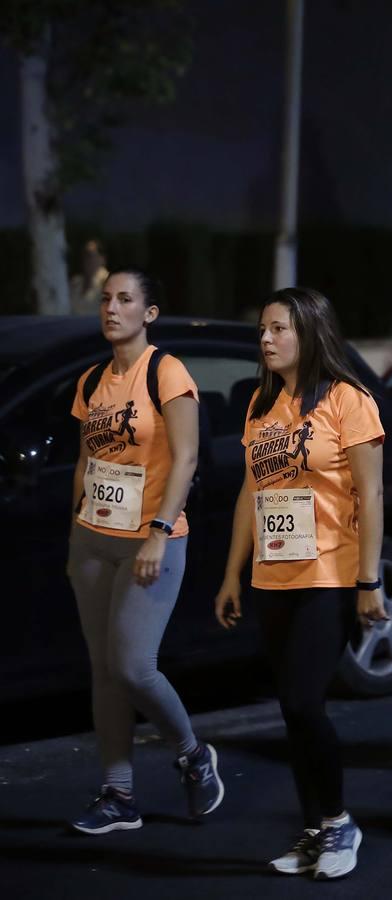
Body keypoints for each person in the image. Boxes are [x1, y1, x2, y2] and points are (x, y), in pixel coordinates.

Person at [214, 288, 387, 879]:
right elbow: (250, 494)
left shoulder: (348, 401)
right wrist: (233, 574)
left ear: (309, 333)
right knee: (290, 710)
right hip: (273, 576)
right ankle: (314, 829)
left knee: (304, 702)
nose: (265, 340)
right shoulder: (260, 406)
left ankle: (339, 823)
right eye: (262, 330)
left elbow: (371, 493)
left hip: (331, 572)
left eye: (278, 329)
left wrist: (370, 581)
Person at [67, 269, 223, 835]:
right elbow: (87, 463)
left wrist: (159, 529)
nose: (111, 308)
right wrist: (74, 534)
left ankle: (192, 754)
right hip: (92, 540)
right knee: (104, 671)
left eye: (125, 300)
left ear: (148, 313)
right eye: (106, 299)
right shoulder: (90, 382)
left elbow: (186, 458)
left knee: (134, 666)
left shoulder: (167, 372)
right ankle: (118, 794)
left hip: (150, 539)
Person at [70, 239, 110, 317]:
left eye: (91, 255)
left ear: (102, 259)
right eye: (85, 255)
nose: (87, 259)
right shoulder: (74, 282)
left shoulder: (109, 282)